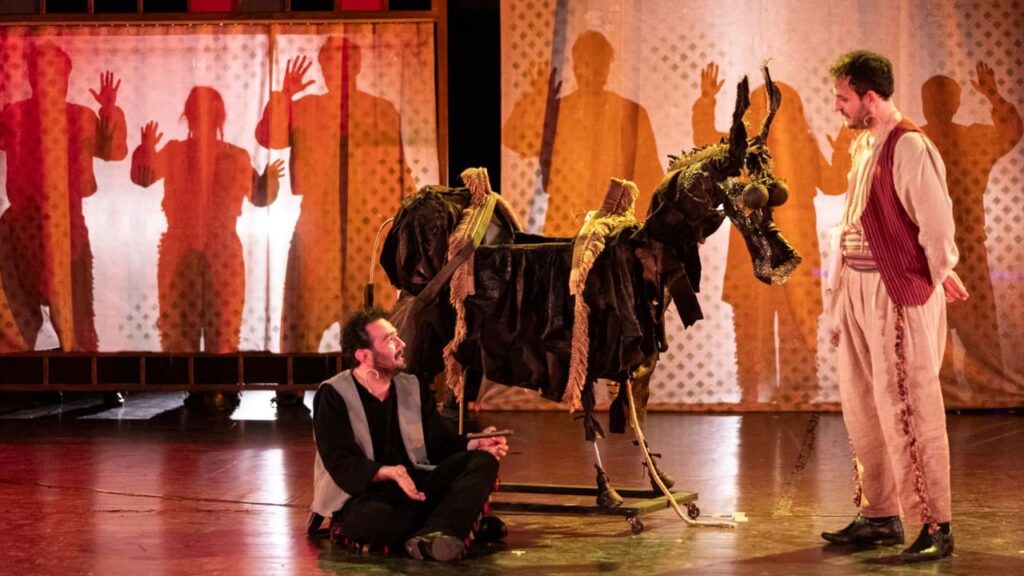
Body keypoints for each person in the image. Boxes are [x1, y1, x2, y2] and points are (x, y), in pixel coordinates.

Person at [820, 50, 968, 562]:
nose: (837, 107)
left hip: (894, 292)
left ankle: (934, 524)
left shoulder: (909, 146)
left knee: (909, 405)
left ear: (869, 97)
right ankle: (880, 515)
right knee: (863, 404)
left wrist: (937, 272)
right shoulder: (866, 144)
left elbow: (937, 224)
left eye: (842, 97)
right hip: (858, 288)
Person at [693, 63, 852, 407]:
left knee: (795, 319)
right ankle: (754, 391)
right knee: (753, 319)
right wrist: (706, 103)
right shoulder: (744, 148)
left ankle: (796, 392)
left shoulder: (802, 146)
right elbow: (706, 146)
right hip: (756, 243)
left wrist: (842, 150)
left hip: (793, 241)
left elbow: (833, 182)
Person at [312, 308, 509, 562]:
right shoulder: (333, 394)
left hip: (416, 487)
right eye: (390, 339)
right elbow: (340, 462)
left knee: (483, 461)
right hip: (364, 496)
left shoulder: (413, 386)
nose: (401, 343)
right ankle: (451, 525)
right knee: (379, 520)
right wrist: (388, 472)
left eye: (397, 336)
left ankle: (433, 534)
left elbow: (439, 444)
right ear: (364, 355)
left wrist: (475, 443)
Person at [131, 86, 282, 410]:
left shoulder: (235, 156)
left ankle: (220, 385)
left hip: (220, 245)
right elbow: (143, 178)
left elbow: (259, 197)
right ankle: (197, 385)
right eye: (200, 111)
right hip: (183, 243)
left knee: (223, 319)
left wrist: (270, 181)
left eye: (211, 111)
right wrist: (145, 151)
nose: (205, 118)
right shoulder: (176, 152)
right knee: (183, 322)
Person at [0, 43, 127, 352]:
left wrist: (109, 110)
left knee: (76, 322)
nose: (50, 79)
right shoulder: (16, 114)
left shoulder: (80, 116)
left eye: (57, 72)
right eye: (42, 72)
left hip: (67, 227)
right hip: (21, 228)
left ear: (66, 77)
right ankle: (22, 371)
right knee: (16, 321)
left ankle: (83, 370)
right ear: (32, 77)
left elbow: (114, 151)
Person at [920, 64, 1022, 399]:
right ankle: (952, 391)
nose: (933, 106)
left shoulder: (961, 139)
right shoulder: (916, 142)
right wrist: (992, 95)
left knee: (972, 326)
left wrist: (994, 95)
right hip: (930, 249)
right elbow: (1011, 133)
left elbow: (1011, 133)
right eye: (930, 99)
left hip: (959, 248)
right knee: (937, 326)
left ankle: (979, 390)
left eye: (937, 99)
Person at [503, 30, 663, 236]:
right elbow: (513, 139)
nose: (591, 72)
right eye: (585, 64)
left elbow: (649, 177)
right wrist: (535, 101)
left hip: (613, 229)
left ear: (608, 67)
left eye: (598, 64)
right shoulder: (558, 111)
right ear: (575, 65)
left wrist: (641, 234)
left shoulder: (630, 114)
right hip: (565, 224)